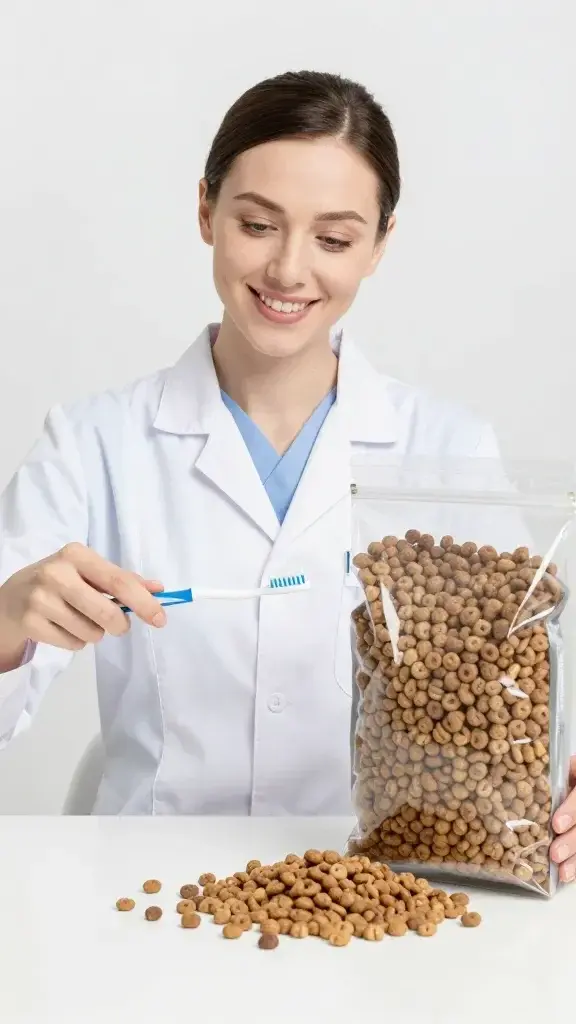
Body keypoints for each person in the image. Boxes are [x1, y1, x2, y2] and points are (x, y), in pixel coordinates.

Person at [0, 70, 574, 879]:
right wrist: (8, 622)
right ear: (205, 210)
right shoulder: (95, 442)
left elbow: (518, 694)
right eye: (258, 224)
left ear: (380, 244)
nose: (289, 270)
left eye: (334, 240)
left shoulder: (446, 448)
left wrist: (559, 768)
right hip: (149, 890)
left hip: (383, 888)